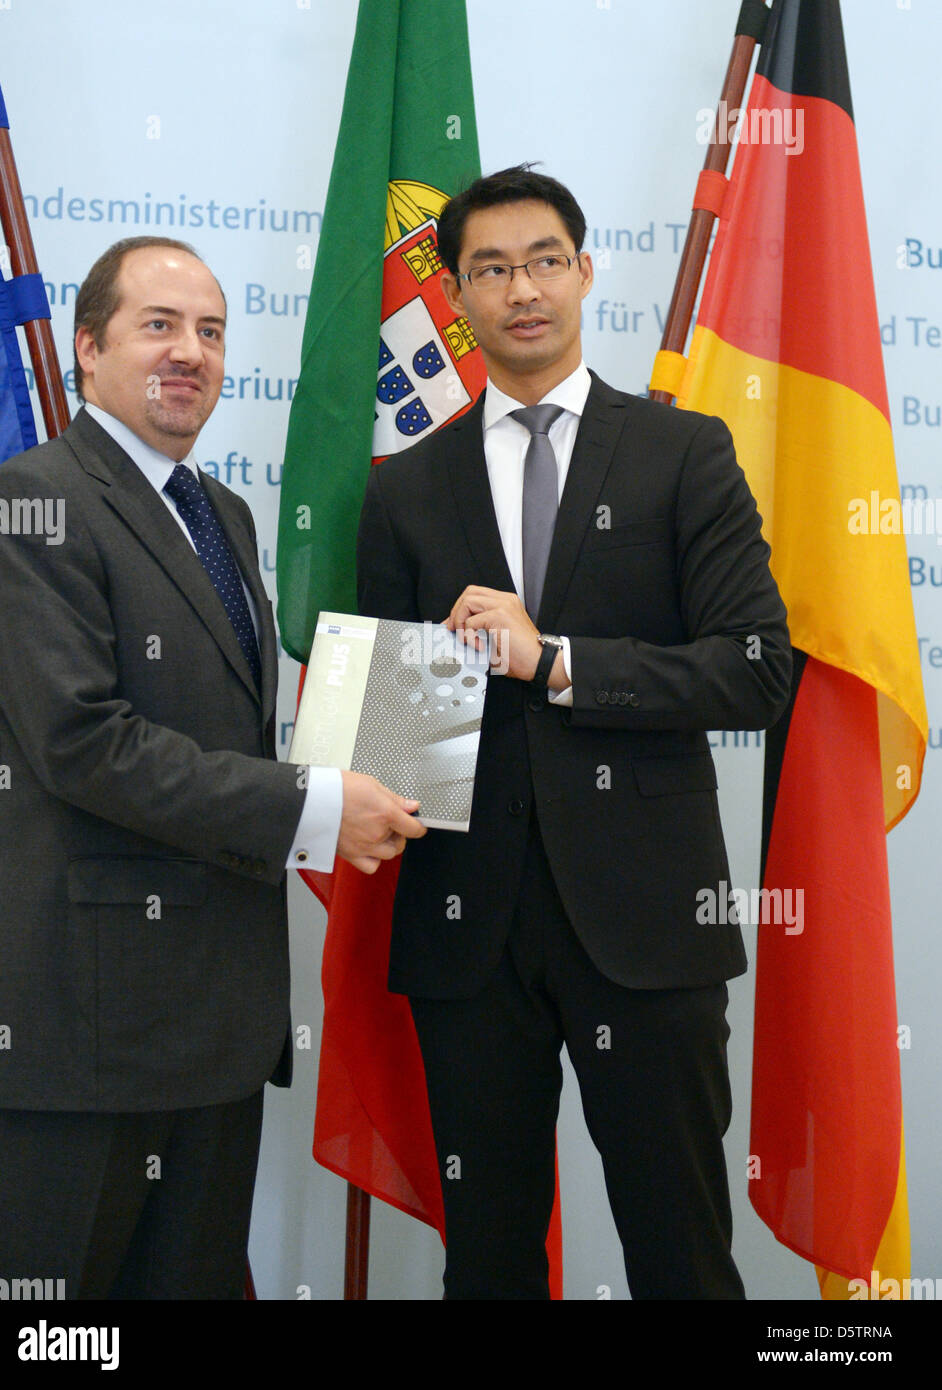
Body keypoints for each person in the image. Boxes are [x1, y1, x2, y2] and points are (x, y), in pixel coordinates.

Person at [356, 166, 792, 1299]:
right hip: (468, 926)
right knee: (487, 1257)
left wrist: (555, 660)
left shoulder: (680, 453)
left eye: (544, 259)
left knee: (680, 1251)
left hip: (646, 924)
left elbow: (754, 670)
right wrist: (360, 772)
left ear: (585, 271)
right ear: (456, 297)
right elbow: (401, 732)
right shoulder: (407, 486)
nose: (523, 288)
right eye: (491, 269)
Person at [0, 235, 424, 1299]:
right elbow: (86, 744)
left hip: (214, 1024)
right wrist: (315, 806)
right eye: (158, 326)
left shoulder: (222, 515)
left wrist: (403, 729)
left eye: (211, 332)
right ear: (88, 349)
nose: (191, 353)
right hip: (79, 1028)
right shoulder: (26, 502)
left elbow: (223, 738)